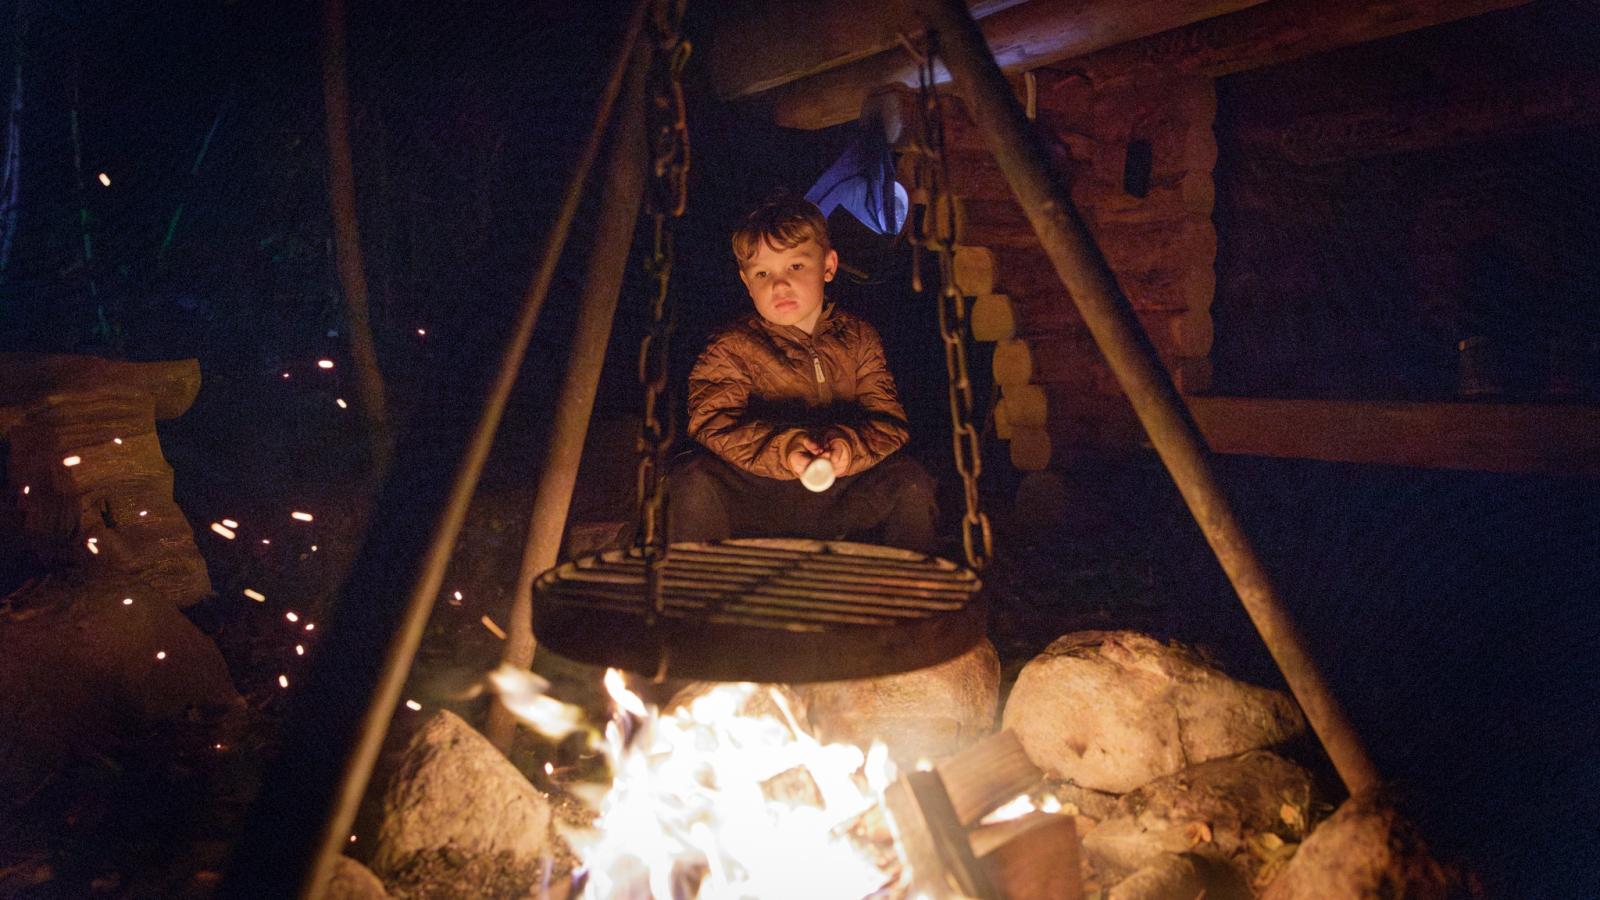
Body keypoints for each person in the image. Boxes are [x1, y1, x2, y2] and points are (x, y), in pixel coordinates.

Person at [666, 194, 939, 554]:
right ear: (747, 283)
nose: (779, 285)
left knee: (911, 483)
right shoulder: (731, 346)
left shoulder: (858, 338)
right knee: (693, 483)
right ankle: (694, 591)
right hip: (758, 496)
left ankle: (911, 594)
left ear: (828, 265)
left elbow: (889, 423)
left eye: (795, 266)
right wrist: (786, 448)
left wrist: (847, 447)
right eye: (763, 273)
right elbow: (712, 423)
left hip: (840, 494)